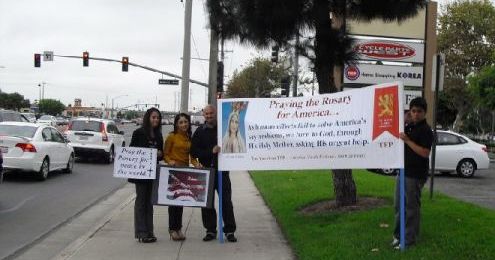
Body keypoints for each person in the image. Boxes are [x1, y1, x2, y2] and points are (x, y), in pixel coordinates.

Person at [191, 105, 237, 243]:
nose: (209, 116)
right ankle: (210, 230)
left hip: (222, 172)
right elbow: (194, 152)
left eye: (211, 113)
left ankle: (229, 230)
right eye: (207, 114)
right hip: (206, 172)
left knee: (226, 202)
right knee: (207, 203)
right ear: (203, 115)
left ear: (215, 113)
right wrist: (210, 152)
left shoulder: (223, 129)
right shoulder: (199, 132)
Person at [392, 97, 433, 248]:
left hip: (415, 175)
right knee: (398, 205)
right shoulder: (409, 126)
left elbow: (424, 153)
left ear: (425, 113)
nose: (416, 114)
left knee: (411, 208)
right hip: (403, 171)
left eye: (419, 111)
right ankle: (398, 235)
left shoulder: (426, 130)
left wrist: (408, 141)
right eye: (413, 111)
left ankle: (408, 240)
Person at [128, 107, 164, 243]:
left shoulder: (159, 135)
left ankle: (150, 231)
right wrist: (145, 152)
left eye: (157, 118)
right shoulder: (138, 133)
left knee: (150, 203)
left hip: (152, 172)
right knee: (141, 202)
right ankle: (141, 233)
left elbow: (161, 154)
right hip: (140, 174)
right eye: (153, 117)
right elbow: (131, 150)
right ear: (148, 118)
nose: (156, 120)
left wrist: (160, 154)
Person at [163, 113, 194, 241]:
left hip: (184, 171)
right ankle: (172, 229)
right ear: (176, 124)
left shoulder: (188, 137)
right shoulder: (172, 136)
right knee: (173, 202)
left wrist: (197, 164)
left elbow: (191, 156)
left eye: (185, 122)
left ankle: (179, 228)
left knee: (181, 200)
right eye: (180, 122)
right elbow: (165, 154)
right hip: (174, 171)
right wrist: (169, 161)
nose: (183, 124)